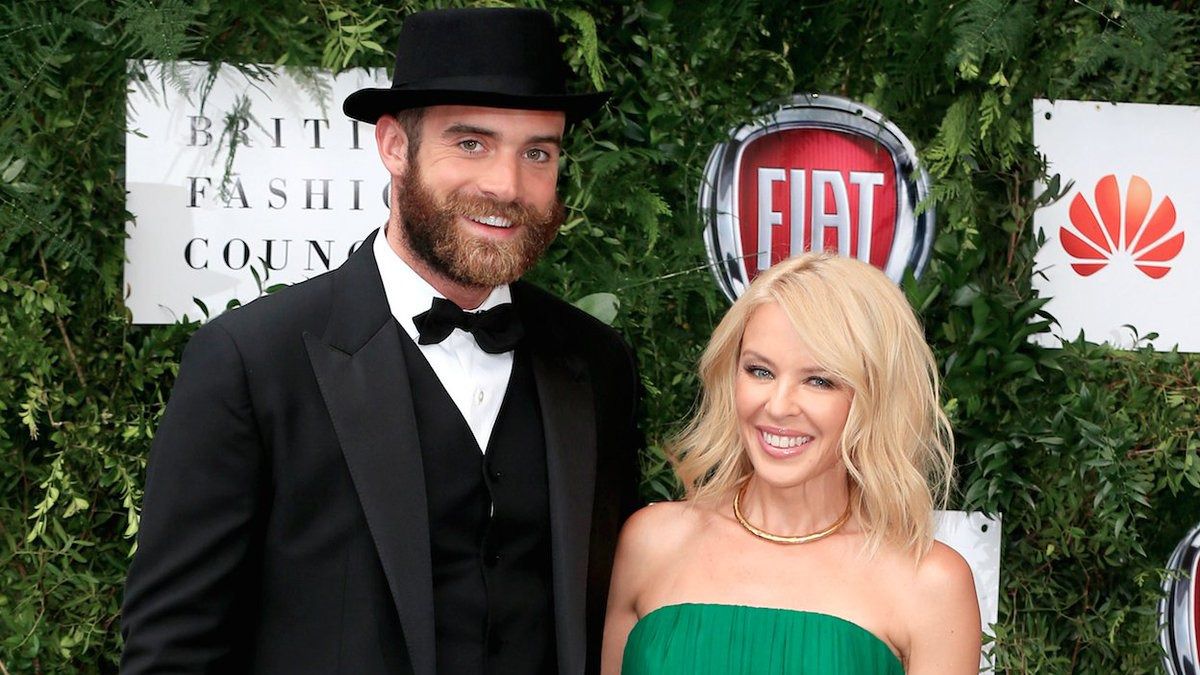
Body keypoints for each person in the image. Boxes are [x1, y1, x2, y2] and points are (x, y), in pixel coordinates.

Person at [120, 8, 641, 675]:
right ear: (395, 145)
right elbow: (171, 650)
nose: (507, 186)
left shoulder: (597, 364)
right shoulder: (251, 363)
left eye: (537, 152)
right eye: (471, 143)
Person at [601, 253, 980, 674]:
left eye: (819, 380)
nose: (778, 406)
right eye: (760, 371)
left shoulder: (930, 584)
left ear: (876, 398)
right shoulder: (652, 543)